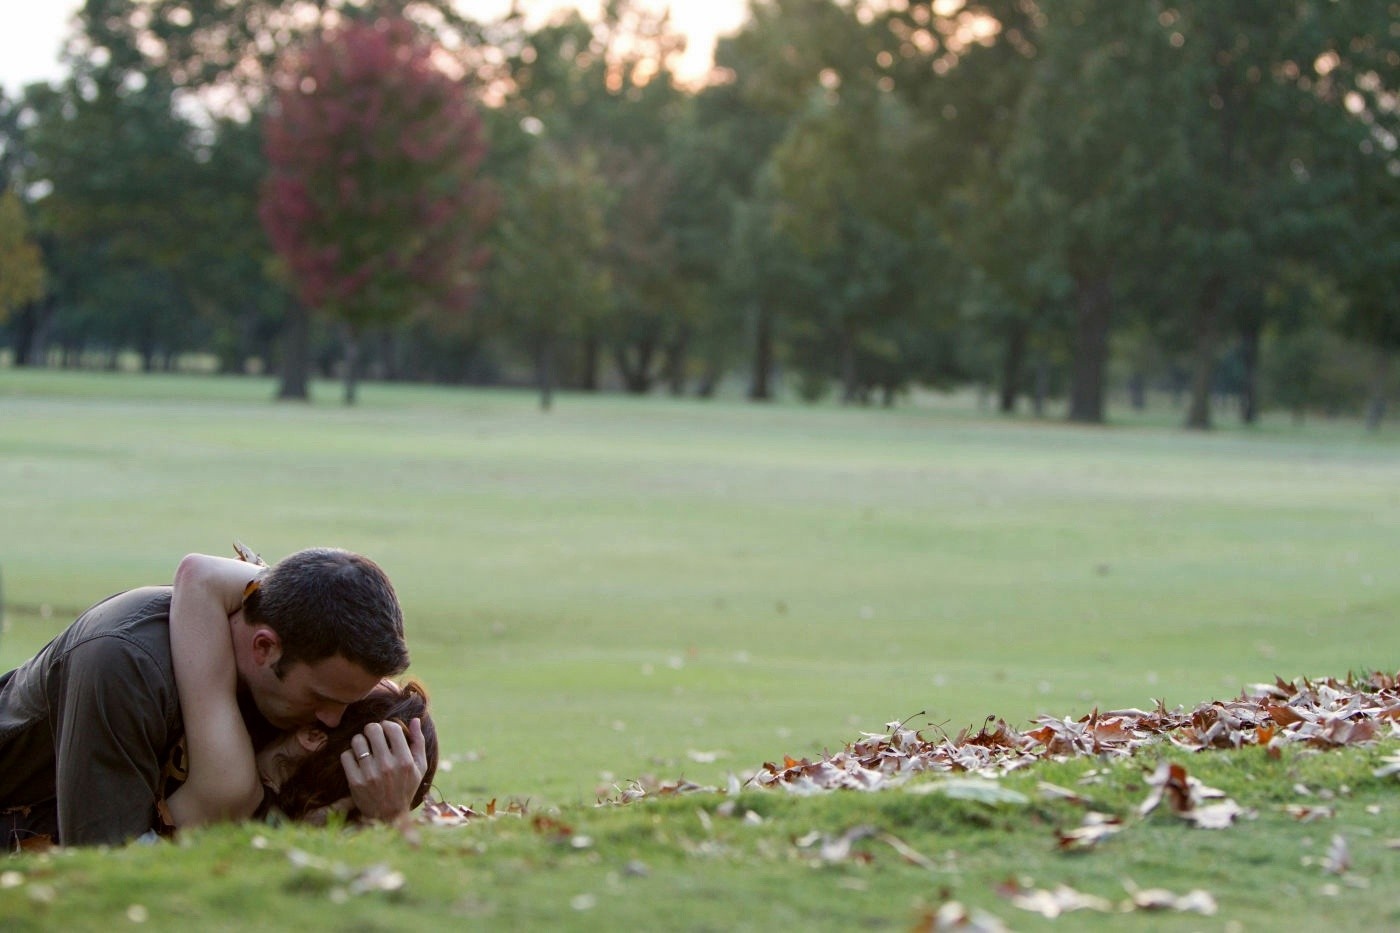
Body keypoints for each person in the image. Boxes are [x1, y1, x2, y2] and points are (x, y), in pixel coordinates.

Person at [0, 546, 411, 850]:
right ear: (265, 648)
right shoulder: (126, 663)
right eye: (321, 697)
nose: (333, 719)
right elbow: (108, 868)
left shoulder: (282, 643)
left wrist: (388, 816)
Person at [161, 551, 434, 831]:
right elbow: (197, 573)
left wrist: (289, 593)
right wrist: (387, 821)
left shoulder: (239, 772)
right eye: (323, 697)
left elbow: (201, 574)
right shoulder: (231, 783)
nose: (332, 719)